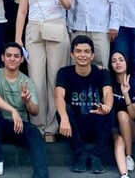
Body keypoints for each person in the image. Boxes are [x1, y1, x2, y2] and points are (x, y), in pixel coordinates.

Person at [15, 0, 71, 140]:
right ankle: (38, 123)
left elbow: (68, 5)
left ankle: (53, 126)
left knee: (55, 78)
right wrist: (18, 38)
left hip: (56, 28)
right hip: (34, 30)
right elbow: (22, 12)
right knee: (36, 78)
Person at [0, 42, 49, 177]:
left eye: (16, 56)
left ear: (22, 59)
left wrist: (28, 101)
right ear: (2, 57)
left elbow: (35, 111)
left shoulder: (27, 81)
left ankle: (41, 175)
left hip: (18, 126)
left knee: (35, 133)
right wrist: (13, 110)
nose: (12, 59)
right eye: (9, 55)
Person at [55, 36, 114, 174]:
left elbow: (108, 94)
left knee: (109, 110)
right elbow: (59, 96)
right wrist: (63, 118)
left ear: (92, 55)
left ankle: (96, 155)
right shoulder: (64, 72)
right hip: (73, 126)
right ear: (72, 54)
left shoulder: (102, 72)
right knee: (63, 108)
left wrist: (107, 107)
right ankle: (80, 153)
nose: (82, 55)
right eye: (78, 51)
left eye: (87, 51)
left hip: (95, 124)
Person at [109, 52, 135, 178]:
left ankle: (129, 155)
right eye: (114, 61)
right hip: (114, 128)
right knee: (119, 141)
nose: (118, 63)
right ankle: (124, 174)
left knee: (122, 115)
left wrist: (126, 93)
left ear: (127, 63)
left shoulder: (134, 82)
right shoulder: (108, 82)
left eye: (121, 60)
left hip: (131, 128)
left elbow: (132, 115)